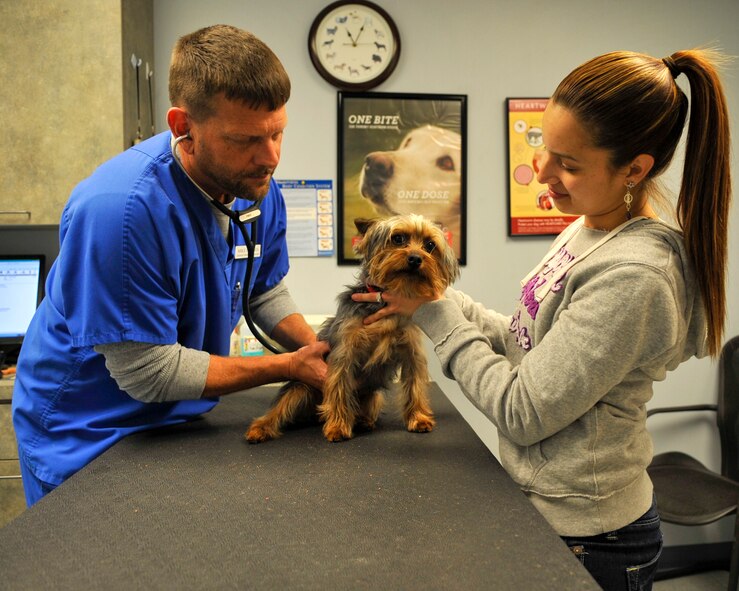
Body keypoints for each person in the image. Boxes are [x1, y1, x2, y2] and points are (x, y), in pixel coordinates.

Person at [354, 49, 732, 590]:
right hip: (546, 509)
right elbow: (527, 342)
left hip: (594, 537)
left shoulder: (635, 276)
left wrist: (436, 315)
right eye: (545, 149)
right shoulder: (589, 228)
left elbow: (523, 409)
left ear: (636, 168)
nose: (543, 173)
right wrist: (435, 299)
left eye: (569, 164)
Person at [12, 24, 329, 507]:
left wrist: (322, 352)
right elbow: (147, 372)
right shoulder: (120, 211)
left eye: (277, 133)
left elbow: (261, 288)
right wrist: (288, 366)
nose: (270, 158)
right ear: (183, 126)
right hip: (89, 429)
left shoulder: (253, 188)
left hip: (178, 421)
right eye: (246, 139)